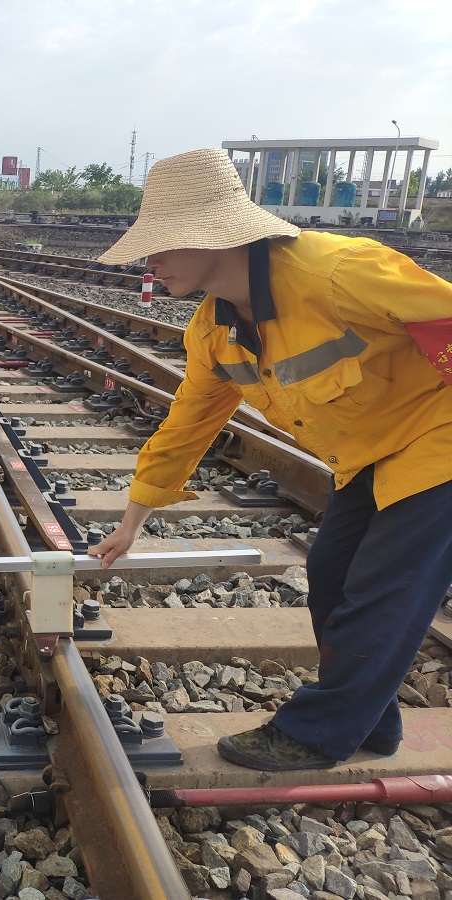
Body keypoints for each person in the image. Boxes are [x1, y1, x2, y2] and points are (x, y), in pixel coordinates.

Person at [88, 148, 452, 772]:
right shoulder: (214, 331)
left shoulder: (338, 273)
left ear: (216, 238)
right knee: (331, 579)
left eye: (163, 242)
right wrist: (133, 520)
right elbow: (189, 423)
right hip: (369, 455)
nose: (151, 259)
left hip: (438, 441)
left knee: (381, 591)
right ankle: (371, 721)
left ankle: (315, 732)